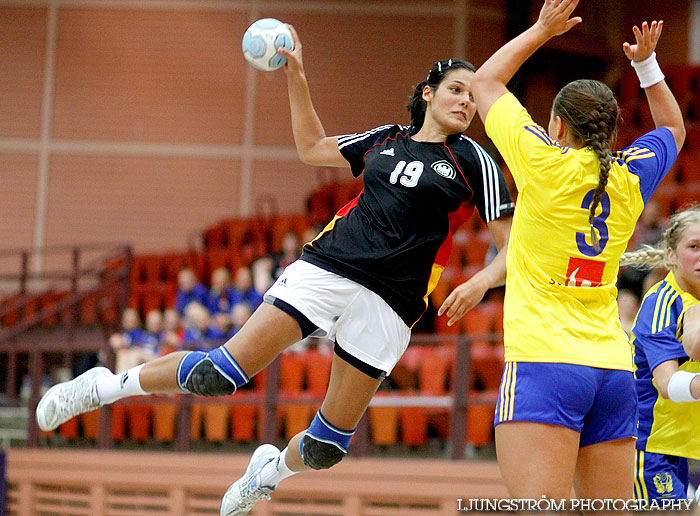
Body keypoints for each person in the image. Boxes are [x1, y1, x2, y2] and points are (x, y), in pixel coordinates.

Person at [35, 25, 514, 516]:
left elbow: (510, 248)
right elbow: (311, 147)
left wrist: (479, 281)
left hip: (392, 303)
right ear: (429, 93)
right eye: (456, 90)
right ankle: (101, 386)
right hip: (329, 268)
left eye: (472, 98)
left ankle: (265, 473)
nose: (465, 103)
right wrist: (297, 77)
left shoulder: (475, 161)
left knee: (327, 447)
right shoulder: (384, 139)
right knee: (218, 375)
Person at [468, 0, 684, 505]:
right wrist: (646, 65)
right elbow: (673, 129)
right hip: (611, 370)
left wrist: (541, 30)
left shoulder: (541, 163)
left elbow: (483, 82)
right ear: (610, 133)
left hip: (544, 365)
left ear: (558, 128)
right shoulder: (630, 176)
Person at [620, 206, 700, 502]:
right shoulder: (662, 304)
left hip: (686, 442)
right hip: (651, 446)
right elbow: (668, 386)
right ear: (671, 256)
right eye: (693, 247)